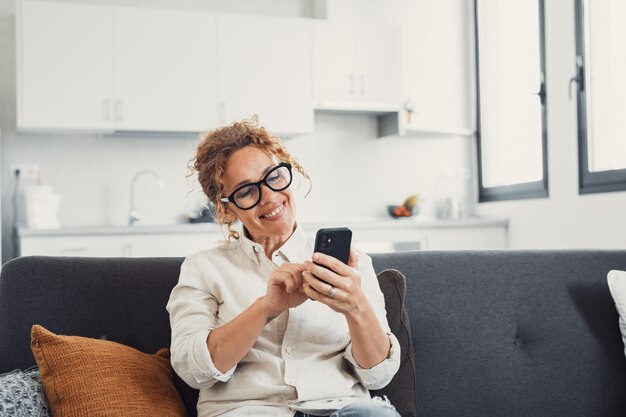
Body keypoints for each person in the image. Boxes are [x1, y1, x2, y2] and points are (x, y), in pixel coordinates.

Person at [167, 118, 401, 417]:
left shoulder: (352, 265)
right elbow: (194, 370)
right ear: (226, 207)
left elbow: (377, 375)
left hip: (340, 407)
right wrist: (266, 308)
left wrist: (356, 308)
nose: (269, 197)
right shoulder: (204, 268)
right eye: (246, 191)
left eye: (273, 177)